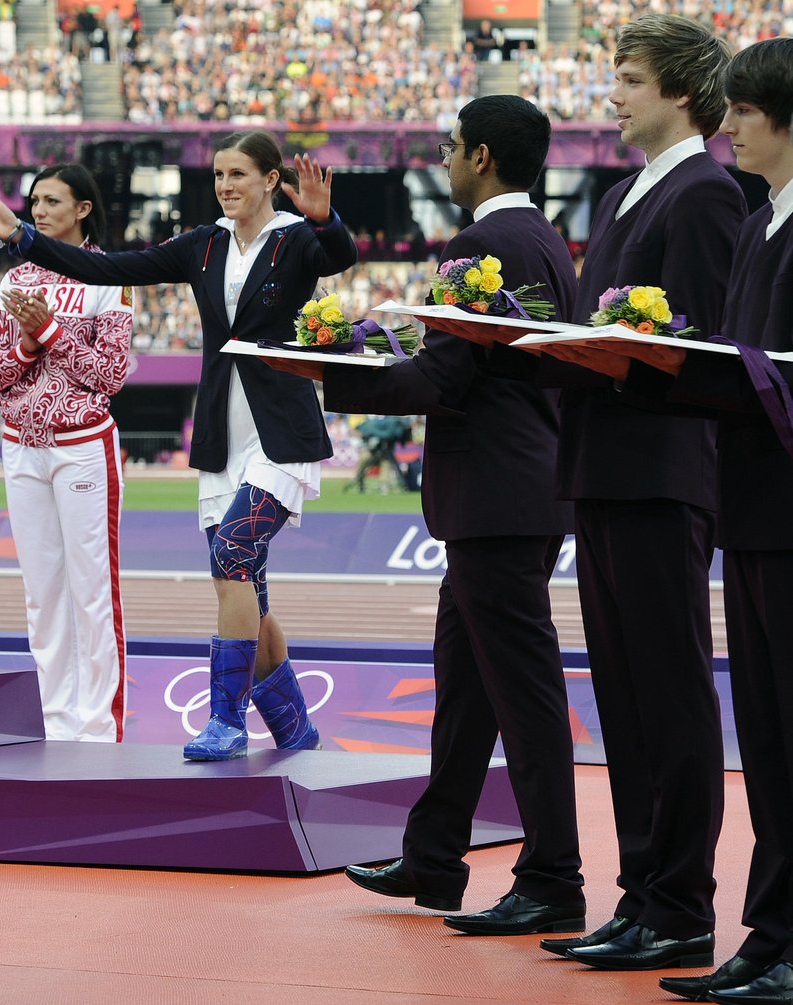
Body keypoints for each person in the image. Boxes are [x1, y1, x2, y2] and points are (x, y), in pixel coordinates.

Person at [272, 95, 586, 933]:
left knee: (522, 698)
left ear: (480, 155)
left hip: (495, 499)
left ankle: (555, 875)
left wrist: (327, 368)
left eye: (449, 147)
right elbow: (470, 369)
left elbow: (442, 380)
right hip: (511, 494)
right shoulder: (545, 241)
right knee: (469, 693)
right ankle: (436, 853)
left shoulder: (481, 245)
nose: (443, 159)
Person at [0, 131, 358, 762]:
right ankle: (296, 732)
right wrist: (21, 239)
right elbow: (110, 267)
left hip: (282, 430)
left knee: (232, 554)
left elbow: (339, 254)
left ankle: (225, 720)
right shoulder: (203, 245)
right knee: (248, 586)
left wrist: (325, 218)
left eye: (238, 174)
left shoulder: (296, 238)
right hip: (223, 434)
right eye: (219, 173)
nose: (224, 185)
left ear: (271, 179)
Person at [551, 37, 793, 1004]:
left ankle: (686, 898)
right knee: (639, 699)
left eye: (627, 82)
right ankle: (654, 892)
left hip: (675, 468)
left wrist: (630, 356)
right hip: (626, 462)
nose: (610, 98)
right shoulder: (628, 196)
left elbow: (707, 341)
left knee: (680, 693)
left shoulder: (707, 196)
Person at [0, 163, 134, 743]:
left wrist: (50, 334)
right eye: (34, 201)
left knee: (93, 592)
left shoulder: (109, 277)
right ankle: (54, 722)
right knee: (42, 595)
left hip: (82, 447)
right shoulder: (15, 281)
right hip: (21, 450)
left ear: (83, 209)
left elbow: (110, 374)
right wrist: (25, 340)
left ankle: (98, 731)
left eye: (52, 201)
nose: (38, 211)